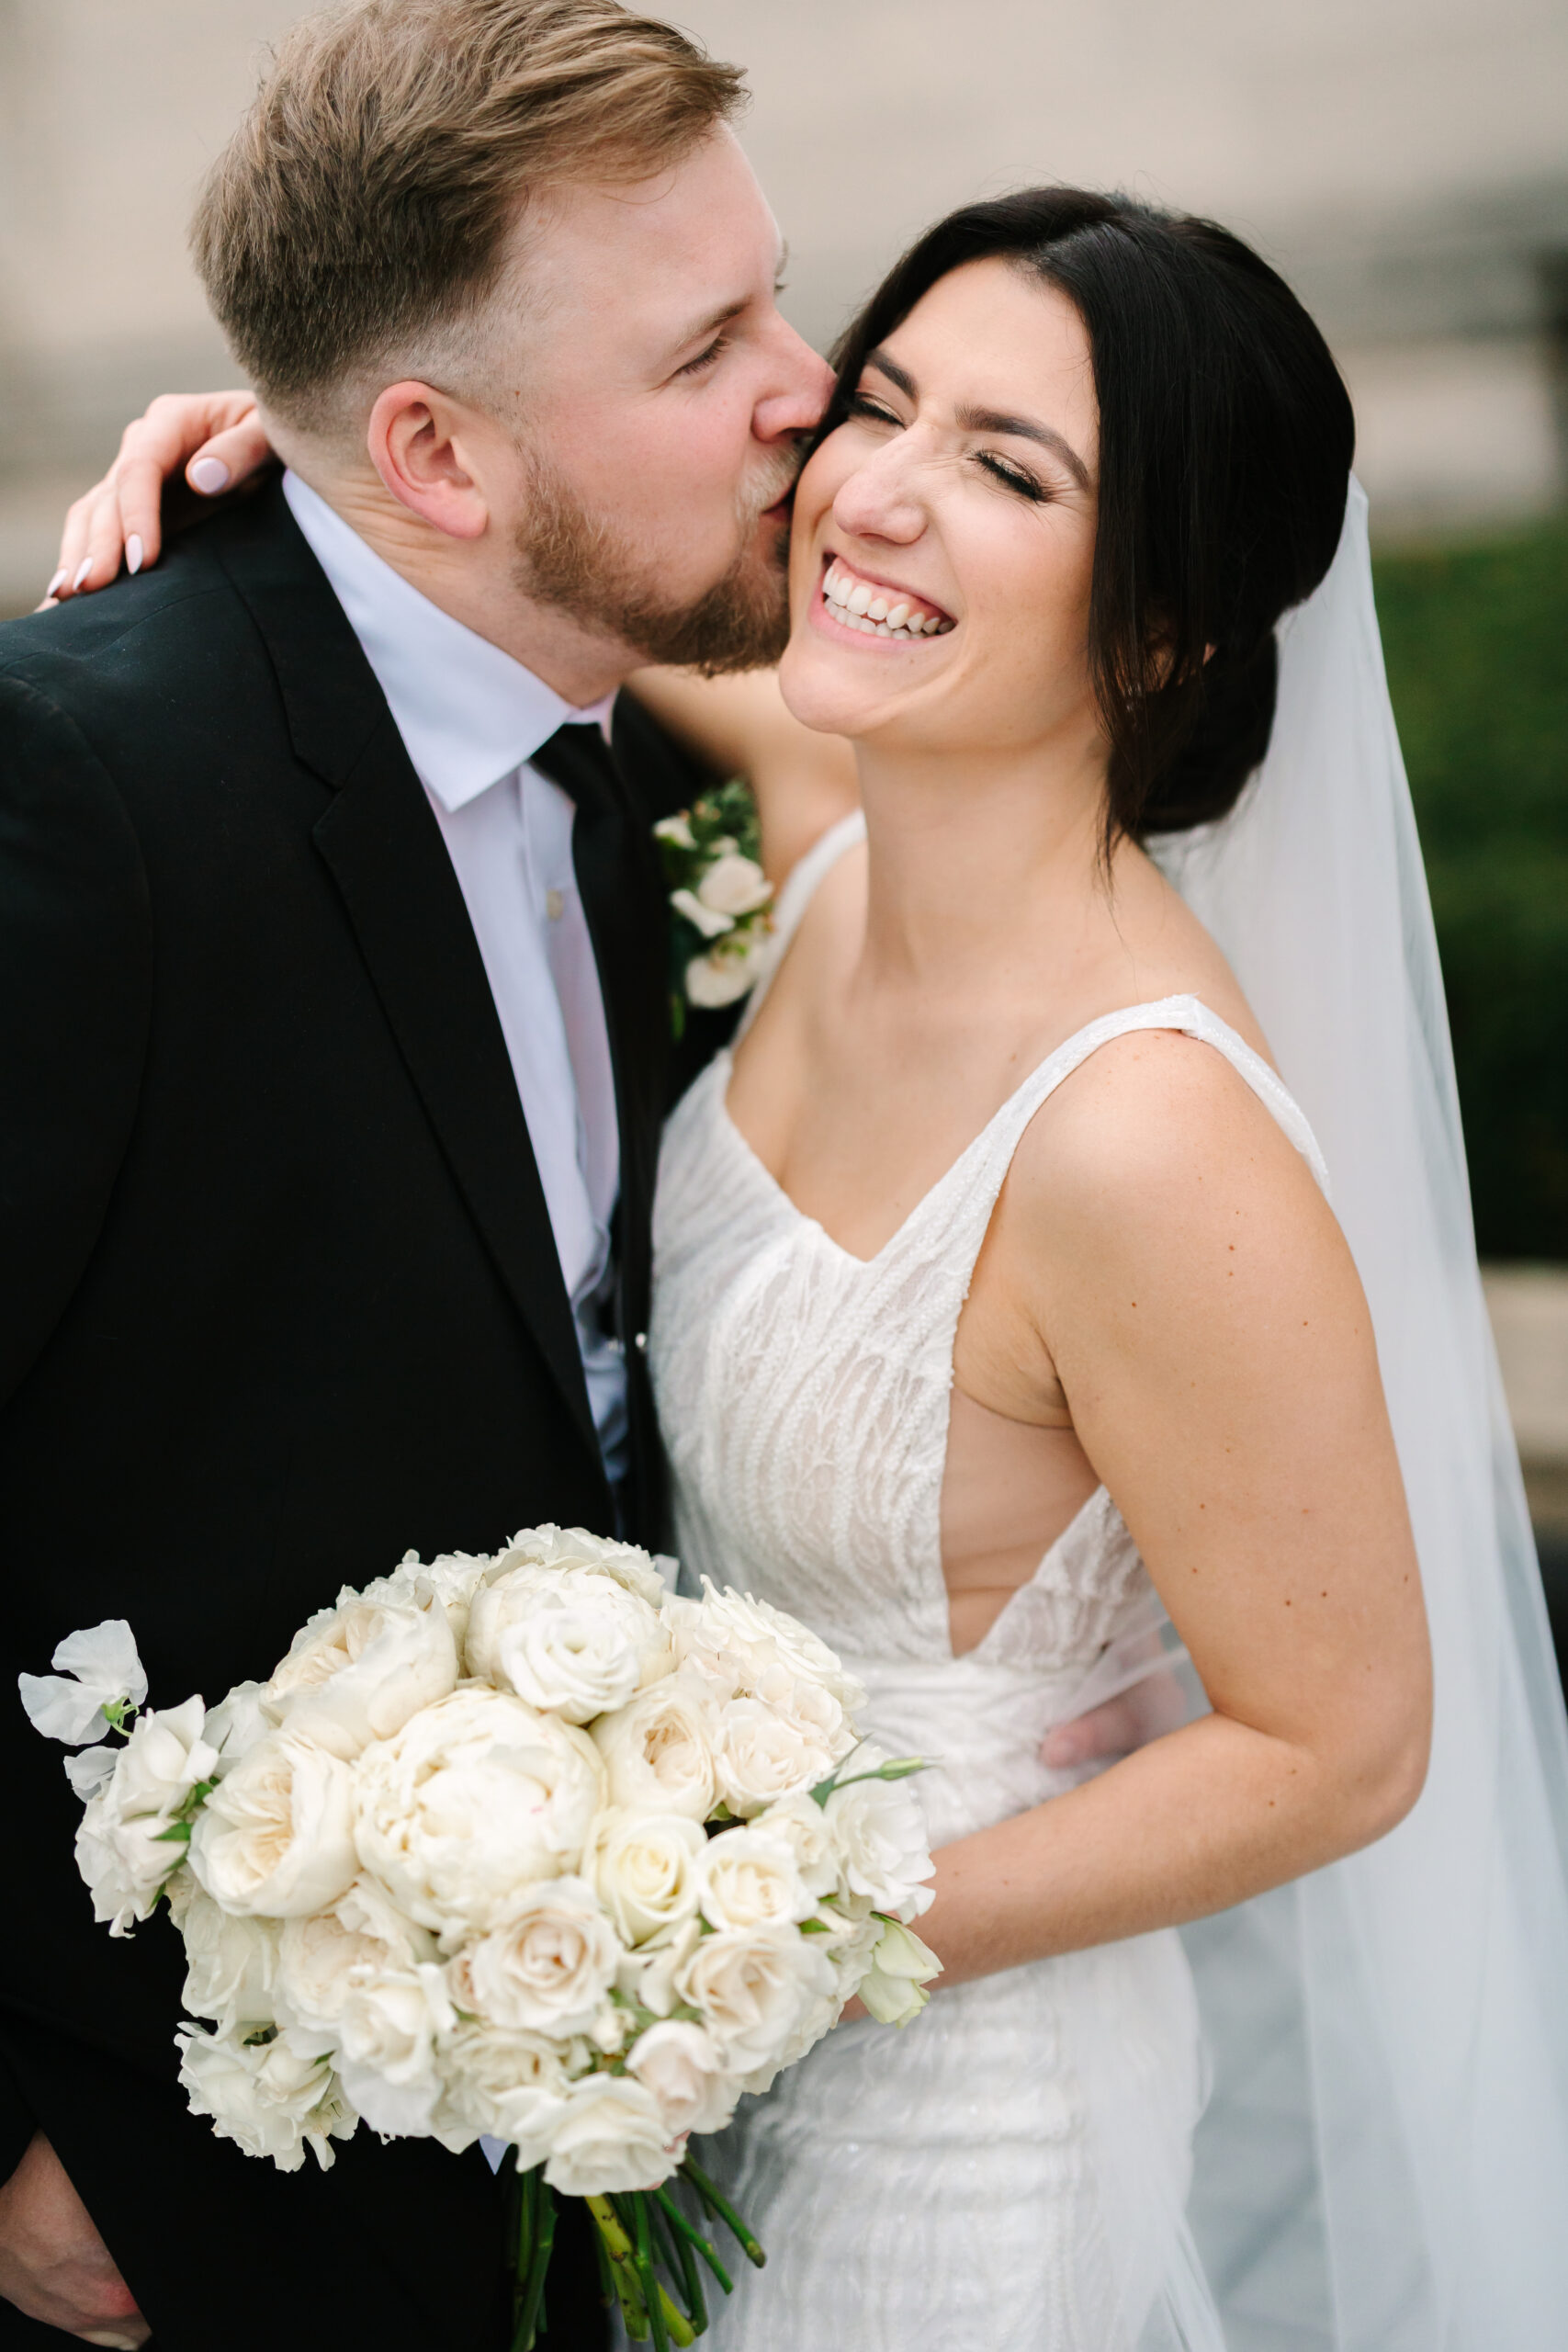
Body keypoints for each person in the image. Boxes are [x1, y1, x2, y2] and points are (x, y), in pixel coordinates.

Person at [40, 89, 1568, 2352]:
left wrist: (738, 1940)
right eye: (880, 398)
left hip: (952, 2115)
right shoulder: (826, 805)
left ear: (1154, 631)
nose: (869, 487)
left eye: (1010, 471)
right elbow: (487, 575)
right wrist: (299, 459)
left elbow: (1339, 1741)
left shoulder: (1142, 1132)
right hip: (663, 2100)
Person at [0, 3, 837, 2345]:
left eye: (778, 289)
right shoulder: (82, 790)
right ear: (434, 460)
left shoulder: (645, 755)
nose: (809, 383)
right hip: (153, 2229)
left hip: (568, 2158)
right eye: (708, 347)